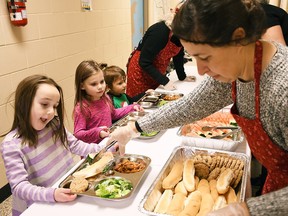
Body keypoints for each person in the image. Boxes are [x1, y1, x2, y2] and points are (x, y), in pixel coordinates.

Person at [107, 0, 288, 215]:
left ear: (238, 38)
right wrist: (134, 128)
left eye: (205, 57)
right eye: (193, 57)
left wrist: (247, 209)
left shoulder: (282, 89)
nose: (201, 71)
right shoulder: (239, 67)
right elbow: (192, 105)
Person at [0, 75, 109, 216]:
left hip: (66, 191)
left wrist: (105, 148)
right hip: (42, 204)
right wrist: (52, 194)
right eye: (45, 104)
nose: (51, 111)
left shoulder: (54, 125)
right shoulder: (12, 144)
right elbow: (19, 187)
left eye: (55, 106)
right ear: (24, 103)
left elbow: (76, 145)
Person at [126, 2, 195, 98]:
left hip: (156, 73)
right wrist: (165, 81)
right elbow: (144, 62)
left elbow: (178, 55)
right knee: (139, 104)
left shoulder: (179, 32)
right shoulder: (160, 32)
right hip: (141, 73)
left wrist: (182, 76)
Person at [73, 60, 142, 144]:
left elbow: (113, 114)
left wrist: (131, 107)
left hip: (109, 143)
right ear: (82, 86)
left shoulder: (105, 98)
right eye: (94, 84)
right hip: (93, 150)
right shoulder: (82, 107)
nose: (100, 87)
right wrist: (98, 132)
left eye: (102, 82)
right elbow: (78, 134)